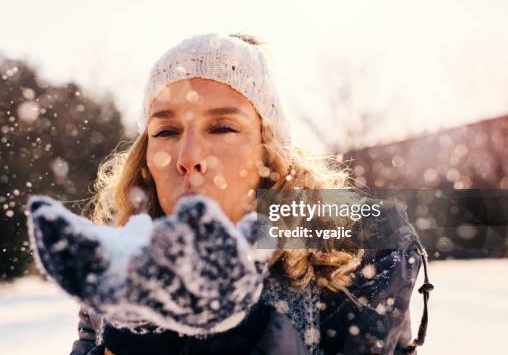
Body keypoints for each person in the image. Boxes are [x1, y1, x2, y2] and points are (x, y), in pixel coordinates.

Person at [28, 33, 432, 354]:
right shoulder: (121, 270)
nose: (189, 157)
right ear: (145, 156)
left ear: (267, 152)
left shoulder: (351, 251)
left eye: (222, 128)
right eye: (166, 132)